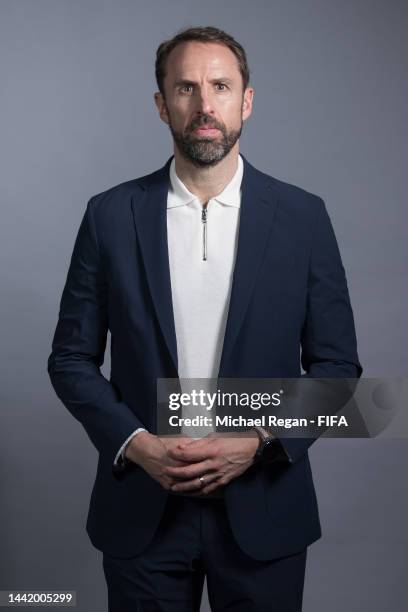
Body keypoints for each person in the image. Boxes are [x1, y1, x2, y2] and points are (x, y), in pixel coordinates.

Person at [47, 25, 362, 612]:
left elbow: (339, 369)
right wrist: (136, 444)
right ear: (162, 104)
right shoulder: (110, 215)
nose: (205, 104)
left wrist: (260, 438)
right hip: (143, 510)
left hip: (265, 508)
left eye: (220, 86)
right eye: (186, 88)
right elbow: (69, 358)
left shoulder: (303, 218)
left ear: (246, 100)